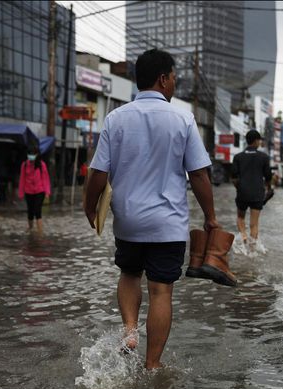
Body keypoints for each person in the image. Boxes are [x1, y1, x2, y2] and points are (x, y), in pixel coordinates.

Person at [83, 48, 222, 370]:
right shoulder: (182, 119)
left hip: (128, 220)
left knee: (129, 274)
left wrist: (89, 208)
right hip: (167, 224)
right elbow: (199, 174)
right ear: (163, 79)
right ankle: (152, 364)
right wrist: (211, 217)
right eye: (174, 77)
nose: (174, 83)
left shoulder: (116, 119)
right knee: (161, 291)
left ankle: (130, 331)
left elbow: (98, 174)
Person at [231, 129, 272, 254]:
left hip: (242, 192)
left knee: (240, 217)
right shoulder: (264, 157)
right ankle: (252, 250)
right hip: (257, 194)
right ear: (256, 141)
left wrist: (239, 188)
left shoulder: (238, 157)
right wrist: (268, 188)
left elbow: (233, 177)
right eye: (259, 140)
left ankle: (243, 237)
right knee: (254, 224)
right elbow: (268, 177)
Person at [18, 150, 51, 231]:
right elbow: (22, 179)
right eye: (29, 154)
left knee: (37, 209)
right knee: (30, 210)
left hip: (40, 191)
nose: (31, 156)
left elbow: (45, 178)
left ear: (36, 155)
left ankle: (40, 231)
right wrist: (21, 193)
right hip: (28, 191)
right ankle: (30, 228)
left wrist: (47, 192)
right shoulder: (25, 165)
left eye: (33, 154)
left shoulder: (41, 164)